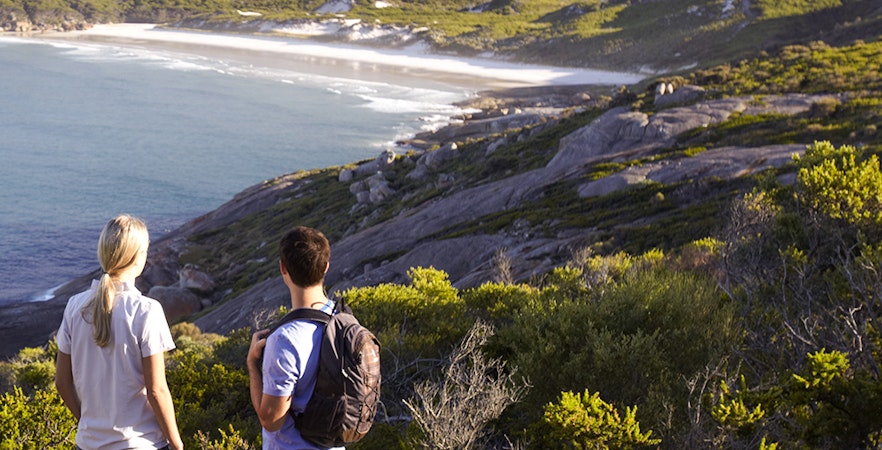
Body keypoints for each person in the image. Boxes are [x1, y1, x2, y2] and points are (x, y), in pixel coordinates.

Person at [55, 214, 184, 450]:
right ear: (138, 258)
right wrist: (177, 444)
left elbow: (62, 382)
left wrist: (86, 423)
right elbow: (157, 390)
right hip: (139, 442)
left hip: (88, 444)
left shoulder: (74, 306)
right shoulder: (146, 310)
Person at [247, 226, 342, 450]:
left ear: (283, 269)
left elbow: (271, 420)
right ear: (326, 267)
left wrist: (252, 365)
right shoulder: (342, 322)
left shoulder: (285, 340)